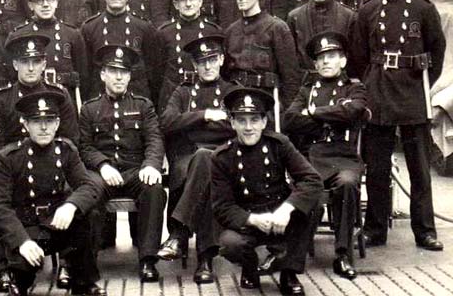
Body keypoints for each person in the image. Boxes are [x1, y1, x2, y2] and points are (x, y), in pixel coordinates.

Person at [352, 0, 446, 251]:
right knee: (376, 166)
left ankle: (425, 230)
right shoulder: (367, 10)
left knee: (419, 166)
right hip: (378, 92)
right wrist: (370, 83)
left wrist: (422, 84)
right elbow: (358, 54)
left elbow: (437, 51)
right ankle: (375, 229)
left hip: (412, 92)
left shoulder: (423, 9)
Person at [0, 32, 79, 291]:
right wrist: (12, 171)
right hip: (12, 170)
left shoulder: (59, 95)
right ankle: (6, 266)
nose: (31, 67)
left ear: (44, 63)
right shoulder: (1, 99)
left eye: (36, 61)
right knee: (2, 201)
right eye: (24, 61)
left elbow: (71, 139)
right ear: (15, 64)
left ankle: (69, 261)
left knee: (72, 197)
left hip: (54, 168)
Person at [0, 91, 106, 296]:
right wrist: (22, 241)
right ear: (25, 124)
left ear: (57, 123)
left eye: (49, 121)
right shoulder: (8, 157)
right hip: (26, 228)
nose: (44, 127)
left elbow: (88, 186)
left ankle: (83, 281)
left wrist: (71, 206)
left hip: (56, 223)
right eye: (36, 121)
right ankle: (17, 276)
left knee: (87, 215)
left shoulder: (66, 150)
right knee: (21, 282)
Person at [211, 87, 322, 295]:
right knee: (229, 244)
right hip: (249, 223)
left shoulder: (279, 145)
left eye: (254, 120)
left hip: (281, 218)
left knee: (313, 205)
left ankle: (289, 272)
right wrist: (252, 219)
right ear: (232, 123)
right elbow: (222, 207)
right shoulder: (222, 157)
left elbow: (312, 180)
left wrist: (287, 209)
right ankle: (250, 268)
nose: (248, 127)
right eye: (241, 120)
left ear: (264, 122)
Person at [283, 31, 369, 280]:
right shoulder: (307, 89)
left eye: (331, 56)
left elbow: (355, 110)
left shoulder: (354, 87)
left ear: (342, 60)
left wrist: (313, 113)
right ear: (315, 64)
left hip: (344, 157)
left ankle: (341, 254)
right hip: (314, 157)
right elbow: (289, 120)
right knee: (308, 188)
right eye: (320, 59)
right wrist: (333, 115)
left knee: (347, 183)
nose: (325, 62)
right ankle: (293, 260)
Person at [79, 45, 166, 282]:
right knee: (89, 193)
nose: (118, 77)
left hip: (134, 171)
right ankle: (88, 261)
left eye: (123, 72)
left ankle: (148, 259)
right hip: (102, 173)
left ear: (129, 76)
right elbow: (84, 146)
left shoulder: (143, 105)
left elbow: (154, 139)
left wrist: (151, 165)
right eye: (112, 71)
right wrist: (103, 165)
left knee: (154, 190)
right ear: (102, 74)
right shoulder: (89, 109)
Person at [157, 35, 236, 284]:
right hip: (187, 161)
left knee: (207, 160)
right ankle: (205, 261)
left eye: (212, 60)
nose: (208, 66)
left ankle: (179, 234)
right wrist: (205, 115)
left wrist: (191, 121)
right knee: (205, 166)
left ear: (221, 60)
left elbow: (240, 125)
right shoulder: (183, 91)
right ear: (194, 65)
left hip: (225, 158)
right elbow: (167, 121)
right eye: (202, 62)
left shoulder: (233, 92)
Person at [223, 0, 300, 113]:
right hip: (237, 100)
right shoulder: (231, 31)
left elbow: (290, 78)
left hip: (267, 102)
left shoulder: (276, 27)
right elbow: (225, 75)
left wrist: (285, 112)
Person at [82, 0, 158, 101]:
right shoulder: (90, 28)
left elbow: (152, 72)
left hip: (136, 102)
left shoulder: (143, 27)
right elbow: (86, 73)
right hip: (101, 103)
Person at [17, 0, 90, 108]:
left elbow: (84, 77)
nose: (45, 5)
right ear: (30, 5)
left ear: (56, 2)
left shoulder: (72, 34)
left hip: (64, 101)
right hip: (32, 101)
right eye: (39, 0)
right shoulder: (20, 35)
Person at [156, 0, 223, 115]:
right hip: (173, 95)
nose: (188, 4)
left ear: (200, 1)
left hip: (204, 94)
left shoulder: (213, 31)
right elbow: (157, 72)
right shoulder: (164, 33)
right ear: (175, 4)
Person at [287, 0, 357, 79]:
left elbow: (354, 59)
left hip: (340, 88)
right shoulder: (295, 17)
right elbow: (291, 62)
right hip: (306, 88)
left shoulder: (349, 17)